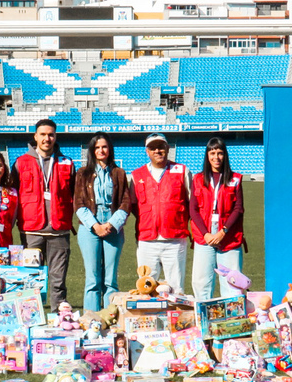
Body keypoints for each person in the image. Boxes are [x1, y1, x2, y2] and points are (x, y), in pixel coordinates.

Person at [14, 118, 76, 310]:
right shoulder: (21, 162)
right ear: (35, 137)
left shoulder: (67, 163)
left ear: (55, 136)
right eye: (42, 134)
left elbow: (75, 194)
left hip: (59, 231)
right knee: (31, 278)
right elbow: (13, 194)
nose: (47, 138)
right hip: (32, 231)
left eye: (50, 134)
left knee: (58, 280)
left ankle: (59, 318)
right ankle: (33, 316)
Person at [74, 132, 132, 311]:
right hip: (89, 226)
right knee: (92, 278)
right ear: (92, 150)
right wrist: (95, 225)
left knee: (110, 279)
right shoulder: (83, 173)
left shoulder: (119, 173)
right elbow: (78, 202)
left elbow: (125, 202)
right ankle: (91, 318)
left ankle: (110, 318)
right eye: (97, 147)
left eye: (104, 147)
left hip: (112, 226)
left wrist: (111, 224)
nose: (101, 150)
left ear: (110, 149)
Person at [130, 131, 191, 292]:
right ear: (147, 151)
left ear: (167, 148)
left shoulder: (182, 171)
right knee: (146, 287)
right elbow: (134, 205)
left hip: (175, 239)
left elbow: (192, 203)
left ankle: (176, 317)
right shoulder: (137, 175)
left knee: (176, 288)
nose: (157, 151)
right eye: (153, 148)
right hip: (147, 239)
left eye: (161, 147)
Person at [189, 137, 246, 300]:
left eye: (220, 153)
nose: (216, 157)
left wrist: (223, 232)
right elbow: (193, 210)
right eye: (212, 153)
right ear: (207, 155)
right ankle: (203, 318)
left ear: (225, 155)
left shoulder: (235, 178)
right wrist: (206, 234)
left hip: (228, 237)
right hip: (203, 237)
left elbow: (238, 208)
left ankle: (230, 322)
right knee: (201, 283)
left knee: (232, 283)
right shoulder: (198, 179)